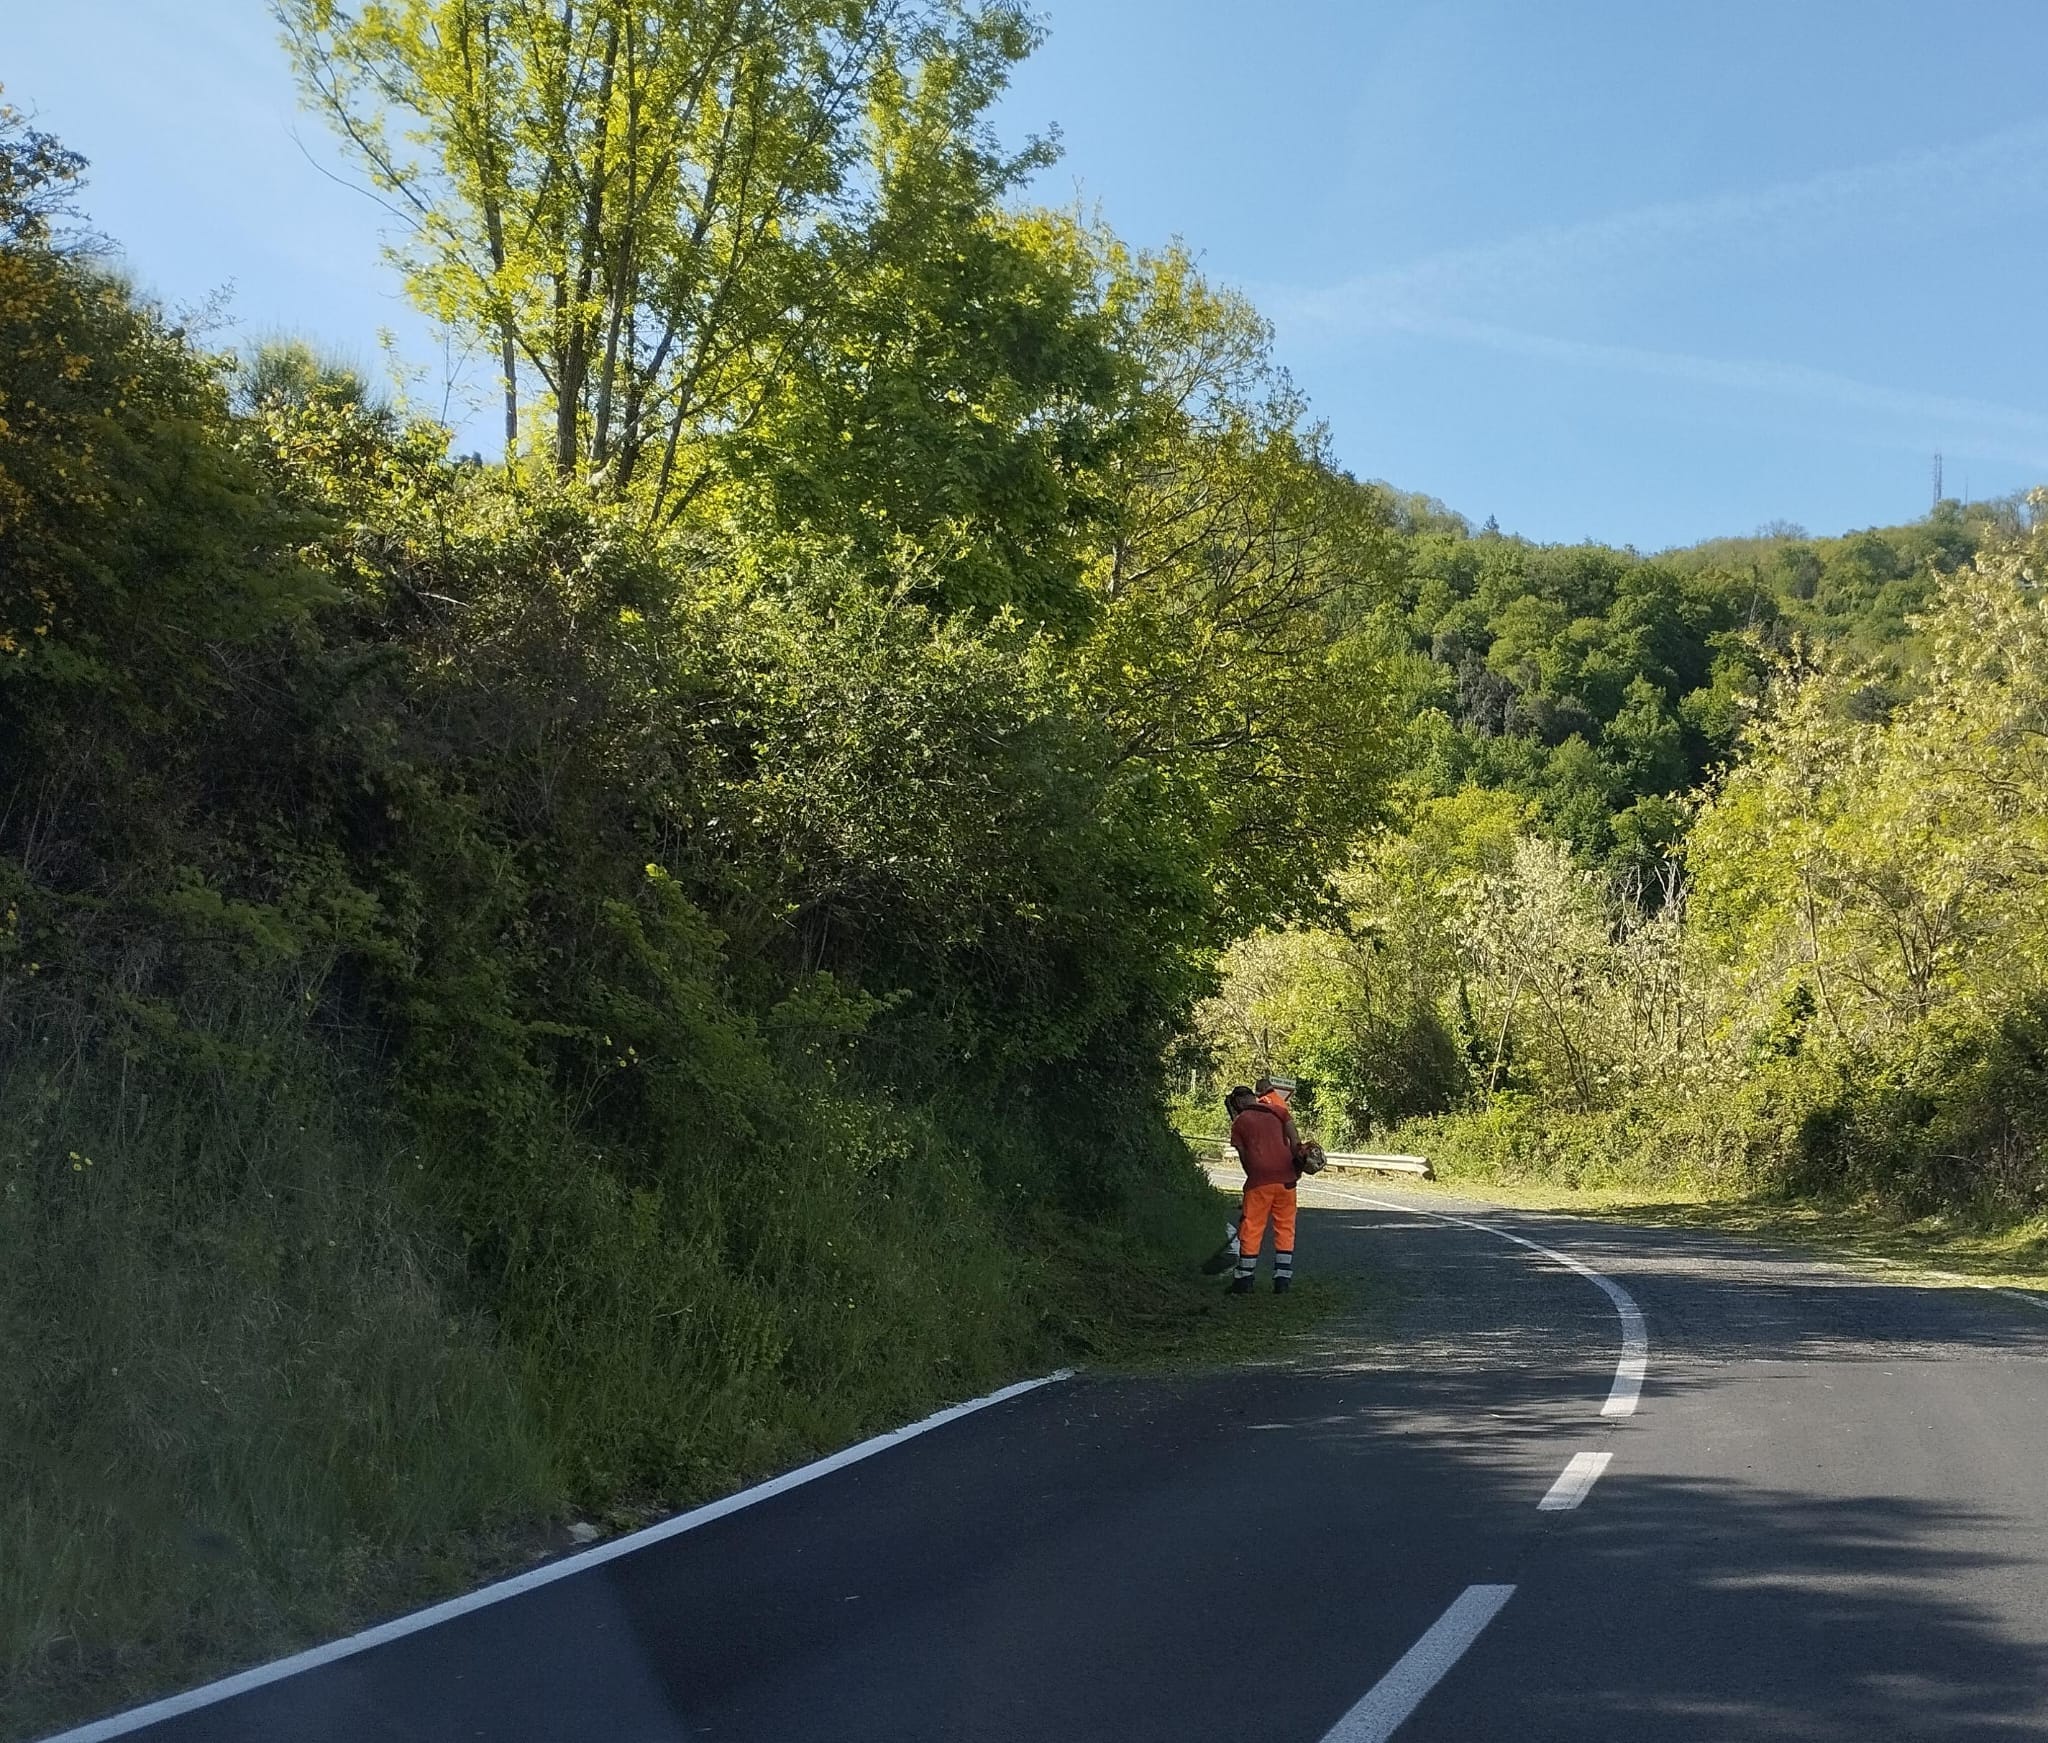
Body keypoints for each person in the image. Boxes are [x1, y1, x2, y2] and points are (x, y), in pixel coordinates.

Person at [1228, 1081, 1301, 1295]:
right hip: (1287, 1180)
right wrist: (1296, 1169)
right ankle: (1282, 1279)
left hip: (1259, 1181)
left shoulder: (1240, 1122)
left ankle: (1244, 1278)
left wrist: (1253, 1177)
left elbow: (1244, 1157)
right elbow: (1295, 1140)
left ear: (1239, 1102)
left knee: (1252, 1227)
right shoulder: (1279, 1111)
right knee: (1285, 1228)